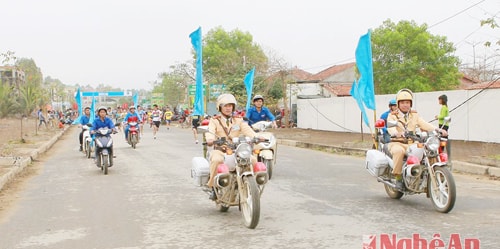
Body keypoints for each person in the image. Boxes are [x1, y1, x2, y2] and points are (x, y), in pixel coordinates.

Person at [387, 89, 448, 191]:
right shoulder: (393, 115)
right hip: (398, 142)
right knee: (399, 151)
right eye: (402, 103)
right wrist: (396, 133)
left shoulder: (414, 114)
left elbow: (423, 123)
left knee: (428, 150)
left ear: (410, 103)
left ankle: (435, 175)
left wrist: (437, 129)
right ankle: (398, 178)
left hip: (412, 143)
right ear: (398, 104)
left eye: (407, 102)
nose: (405, 105)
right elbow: (391, 127)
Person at [205, 93, 260, 200]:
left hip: (237, 150)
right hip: (221, 150)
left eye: (230, 106)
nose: (228, 108)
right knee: (216, 160)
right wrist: (210, 139)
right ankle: (213, 187)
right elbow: (210, 131)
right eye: (225, 105)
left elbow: (247, 130)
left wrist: (258, 137)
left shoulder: (238, 120)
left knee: (253, 159)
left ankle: (253, 185)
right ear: (219, 107)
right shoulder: (214, 120)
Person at [435, 94, 451, 159]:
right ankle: (441, 150)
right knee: (442, 138)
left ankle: (441, 151)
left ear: (442, 100)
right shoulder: (446, 107)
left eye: (439, 100)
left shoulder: (444, 107)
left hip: (443, 125)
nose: (439, 101)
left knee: (442, 138)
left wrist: (437, 117)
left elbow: (443, 116)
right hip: (445, 125)